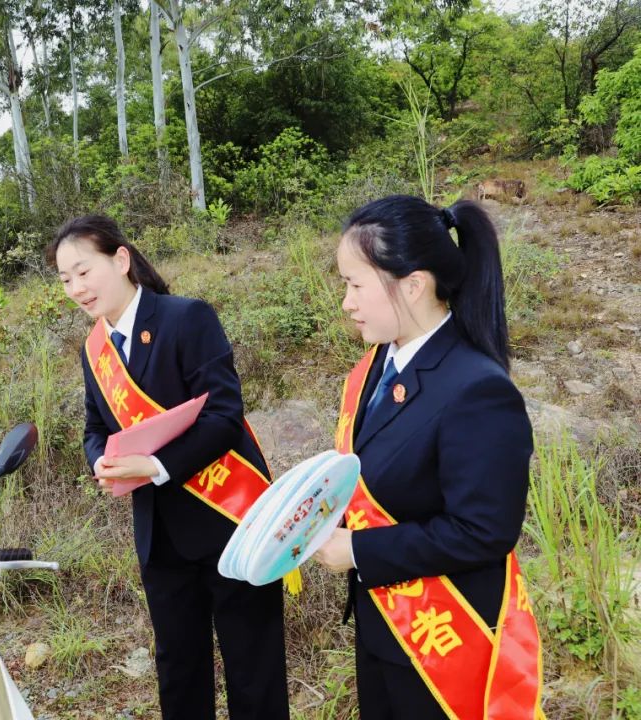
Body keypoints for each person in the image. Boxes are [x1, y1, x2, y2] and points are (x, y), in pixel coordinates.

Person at [48, 215, 290, 720]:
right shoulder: (94, 350)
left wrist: (156, 464)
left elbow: (225, 417)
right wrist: (103, 462)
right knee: (178, 668)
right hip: (160, 536)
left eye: (83, 271)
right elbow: (96, 427)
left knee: (253, 666)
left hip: (230, 520)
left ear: (120, 259)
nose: (75, 289)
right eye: (65, 279)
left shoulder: (187, 319)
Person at [312, 196, 543, 719]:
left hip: (443, 638)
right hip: (384, 625)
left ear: (413, 284)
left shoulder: (476, 389)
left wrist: (359, 552)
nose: (346, 303)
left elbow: (484, 530)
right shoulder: (378, 365)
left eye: (355, 285)